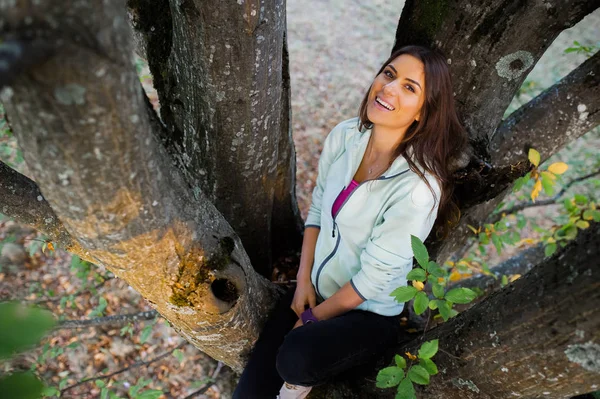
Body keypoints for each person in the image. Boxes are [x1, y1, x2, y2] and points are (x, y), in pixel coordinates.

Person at [233, 45, 467, 399]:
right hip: (315, 291)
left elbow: (374, 280)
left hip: (367, 314)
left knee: (296, 357)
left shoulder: (417, 189)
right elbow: (315, 213)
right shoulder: (345, 136)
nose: (388, 88)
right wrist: (302, 283)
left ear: (423, 113)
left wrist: (312, 320)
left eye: (409, 88)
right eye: (389, 74)